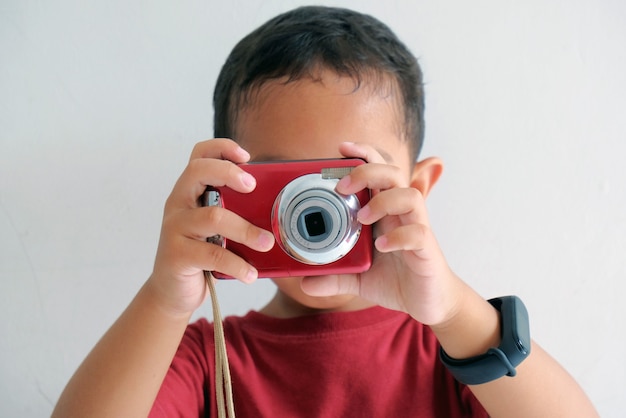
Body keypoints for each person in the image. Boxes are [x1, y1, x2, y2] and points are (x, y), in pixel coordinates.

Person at [52, 6, 598, 417]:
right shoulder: (206, 359)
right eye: (284, 181)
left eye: (348, 177)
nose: (314, 211)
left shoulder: (452, 355)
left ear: (417, 190)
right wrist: (165, 300)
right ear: (223, 191)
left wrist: (455, 311)